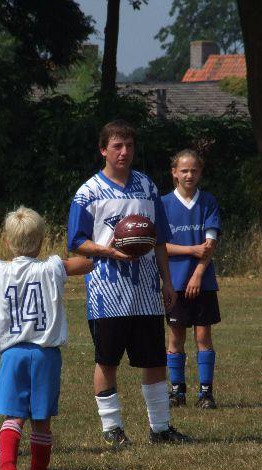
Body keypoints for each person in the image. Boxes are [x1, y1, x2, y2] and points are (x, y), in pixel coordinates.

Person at [67, 119, 191, 448]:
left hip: (146, 292)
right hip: (107, 294)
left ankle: (160, 428)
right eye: (117, 146)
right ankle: (112, 428)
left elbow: (160, 239)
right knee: (107, 361)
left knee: (154, 360)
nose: (124, 152)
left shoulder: (147, 187)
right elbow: (76, 241)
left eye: (129, 146)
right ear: (103, 150)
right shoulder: (88, 192)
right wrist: (109, 251)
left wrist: (167, 281)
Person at [0, 206, 92, 470]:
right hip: (44, 354)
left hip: (12, 354)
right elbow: (85, 264)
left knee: (13, 416)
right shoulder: (50, 267)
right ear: (41, 241)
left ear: (7, 242)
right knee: (41, 419)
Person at [161, 149, 222, 409]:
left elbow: (210, 244)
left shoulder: (207, 202)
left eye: (194, 170)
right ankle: (177, 391)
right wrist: (190, 250)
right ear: (174, 172)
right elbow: (160, 246)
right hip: (174, 283)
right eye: (184, 170)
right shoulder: (163, 204)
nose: (189, 175)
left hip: (203, 282)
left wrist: (198, 274)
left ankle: (206, 393)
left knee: (203, 336)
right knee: (175, 338)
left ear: (200, 173)